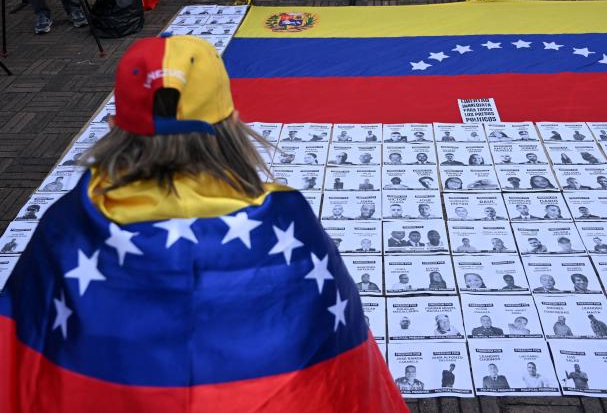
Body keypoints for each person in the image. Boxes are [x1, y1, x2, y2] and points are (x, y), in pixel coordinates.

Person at [0, 36, 407, 412]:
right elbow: (341, 362)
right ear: (231, 121)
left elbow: (20, 355)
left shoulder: (67, 226)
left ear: (115, 125)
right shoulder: (288, 220)